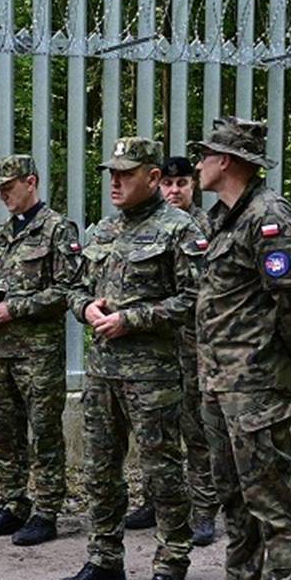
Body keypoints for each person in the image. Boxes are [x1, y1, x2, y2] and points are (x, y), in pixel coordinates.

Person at [175, 118, 291, 580]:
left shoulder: (269, 219)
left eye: (205, 156)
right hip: (220, 382)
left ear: (227, 162)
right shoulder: (222, 219)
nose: (198, 164)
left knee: (271, 500)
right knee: (233, 494)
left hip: (256, 383)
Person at [62, 137, 201, 580]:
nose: (115, 182)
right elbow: (76, 287)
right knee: (99, 468)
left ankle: (172, 563)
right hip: (103, 370)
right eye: (112, 174)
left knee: (161, 470)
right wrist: (87, 309)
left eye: (126, 173)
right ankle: (104, 559)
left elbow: (195, 299)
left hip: (154, 373)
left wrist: (132, 318)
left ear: (154, 177)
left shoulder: (179, 229)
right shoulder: (104, 230)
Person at [0, 155, 83, 547]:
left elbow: (68, 289)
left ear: (30, 182)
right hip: (0, 351)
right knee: (5, 431)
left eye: (9, 186)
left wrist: (14, 307)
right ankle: (13, 502)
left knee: (44, 432)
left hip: (38, 354)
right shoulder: (3, 234)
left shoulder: (57, 229)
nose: (3, 194)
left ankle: (47, 511)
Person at [123, 154, 219, 547]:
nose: (175, 191)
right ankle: (154, 499)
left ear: (193, 186)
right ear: (159, 184)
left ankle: (204, 508)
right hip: (158, 350)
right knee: (155, 431)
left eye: (182, 184)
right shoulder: (148, 226)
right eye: (169, 185)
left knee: (196, 428)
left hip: (195, 345)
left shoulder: (205, 227)